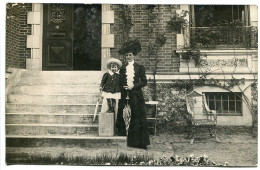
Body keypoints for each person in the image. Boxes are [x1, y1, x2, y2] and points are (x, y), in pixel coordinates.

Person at [116, 39, 150, 149]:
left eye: (130, 55)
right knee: (124, 114)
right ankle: (124, 138)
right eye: (126, 56)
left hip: (136, 95)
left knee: (137, 116)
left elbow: (144, 82)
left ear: (133, 55)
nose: (128, 57)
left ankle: (139, 142)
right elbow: (120, 81)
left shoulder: (139, 67)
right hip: (124, 94)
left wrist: (133, 86)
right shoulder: (122, 68)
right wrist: (123, 87)